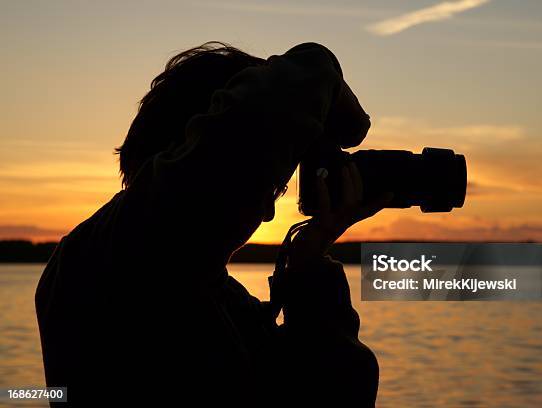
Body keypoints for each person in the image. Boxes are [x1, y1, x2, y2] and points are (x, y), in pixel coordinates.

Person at [35, 41, 391, 407]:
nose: (268, 212)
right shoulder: (121, 246)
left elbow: (321, 391)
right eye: (262, 181)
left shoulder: (208, 289)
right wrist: (335, 97)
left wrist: (309, 263)